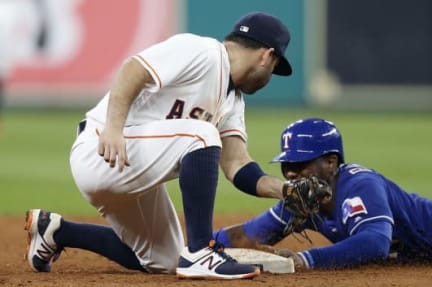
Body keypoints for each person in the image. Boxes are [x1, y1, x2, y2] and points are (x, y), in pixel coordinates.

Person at [24, 11, 292, 279]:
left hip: (132, 167)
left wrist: (286, 191)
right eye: (275, 67)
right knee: (202, 134)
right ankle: (201, 251)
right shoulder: (204, 52)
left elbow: (237, 164)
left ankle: (55, 231)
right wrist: (114, 127)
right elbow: (133, 69)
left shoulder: (233, 102)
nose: (270, 76)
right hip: (101, 150)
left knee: (165, 260)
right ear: (267, 56)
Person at [213, 118, 432, 269]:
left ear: (331, 162)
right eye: (286, 166)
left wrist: (306, 260)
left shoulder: (359, 184)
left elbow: (375, 243)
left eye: (300, 164)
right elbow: (250, 234)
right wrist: (202, 244)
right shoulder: (304, 200)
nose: (292, 174)